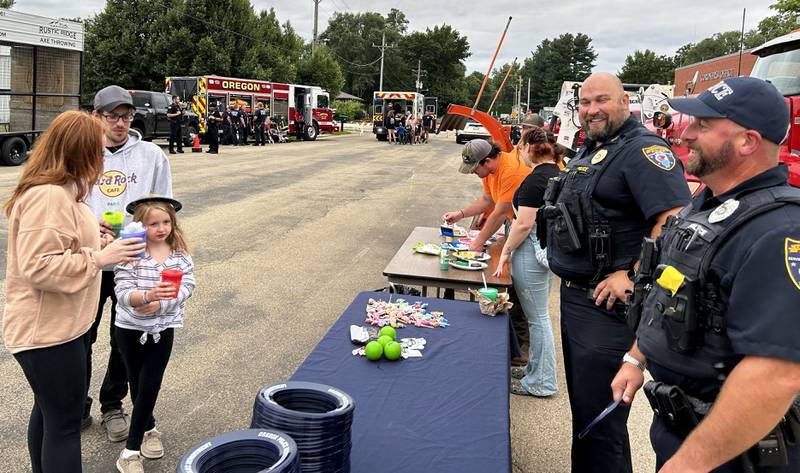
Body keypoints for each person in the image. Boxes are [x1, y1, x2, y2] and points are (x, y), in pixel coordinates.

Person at [611, 77, 800, 473]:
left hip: (735, 452)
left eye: (704, 124)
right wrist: (636, 357)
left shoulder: (781, 229)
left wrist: (691, 464)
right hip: (683, 426)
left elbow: (777, 374)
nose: (686, 132)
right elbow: (670, 288)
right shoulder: (706, 204)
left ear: (747, 141)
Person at [538, 72, 691, 472]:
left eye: (601, 100)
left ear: (625, 101)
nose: (591, 110)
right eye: (585, 103)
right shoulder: (594, 149)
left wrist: (634, 273)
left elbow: (675, 220)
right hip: (577, 299)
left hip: (606, 309)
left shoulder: (644, 152)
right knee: (585, 415)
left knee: (600, 423)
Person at [3, 111, 146, 473]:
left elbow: (61, 244)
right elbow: (39, 266)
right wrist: (100, 257)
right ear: (79, 151)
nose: (102, 157)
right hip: (47, 334)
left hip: (63, 327)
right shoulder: (49, 196)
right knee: (65, 426)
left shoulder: (67, 192)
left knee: (50, 414)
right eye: (97, 150)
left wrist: (90, 235)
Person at [86, 85, 174, 443]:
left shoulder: (151, 155)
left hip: (132, 262)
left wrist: (158, 250)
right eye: (113, 116)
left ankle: (112, 405)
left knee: (124, 340)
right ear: (96, 117)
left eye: (126, 116)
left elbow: (164, 209)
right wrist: (89, 226)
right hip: (90, 261)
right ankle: (75, 404)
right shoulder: (81, 153)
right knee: (79, 337)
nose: (121, 123)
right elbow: (66, 202)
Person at [113, 196, 195, 473]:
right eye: (152, 224)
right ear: (140, 226)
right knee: (136, 382)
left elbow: (187, 287)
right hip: (130, 329)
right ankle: (149, 428)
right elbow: (121, 292)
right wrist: (143, 297)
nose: (161, 228)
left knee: (150, 384)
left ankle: (130, 451)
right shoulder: (131, 254)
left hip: (164, 329)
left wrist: (161, 303)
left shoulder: (180, 255)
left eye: (166, 222)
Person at [494, 126, 566, 397]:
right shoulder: (556, 173)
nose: (519, 152)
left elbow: (524, 224)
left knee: (537, 319)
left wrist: (506, 251)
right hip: (543, 254)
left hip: (530, 255)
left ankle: (542, 381)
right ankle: (534, 370)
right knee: (539, 317)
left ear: (529, 148)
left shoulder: (536, 180)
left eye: (521, 147)